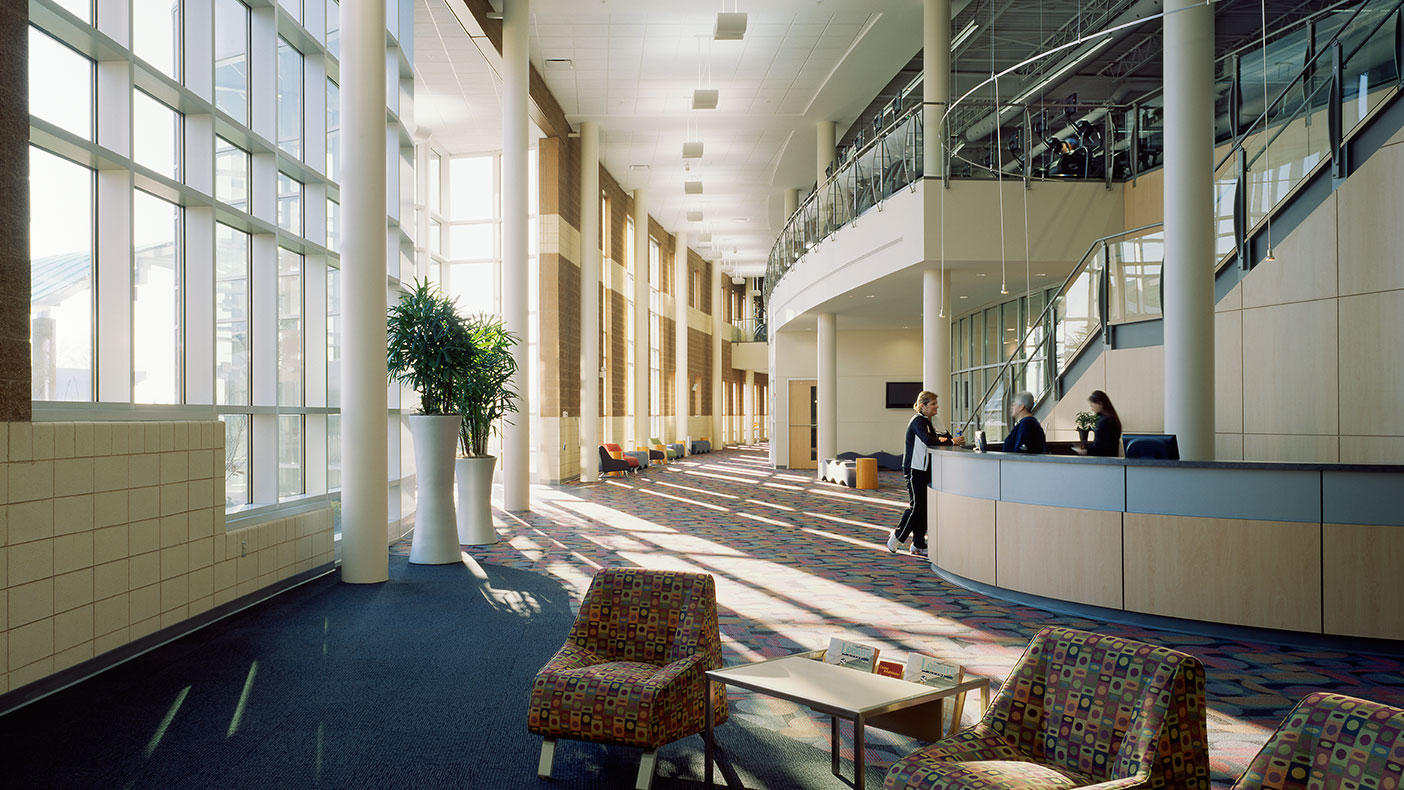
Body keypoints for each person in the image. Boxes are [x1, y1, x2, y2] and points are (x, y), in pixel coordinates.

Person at [887, 391, 961, 558]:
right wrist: (950, 442)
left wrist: (947, 438)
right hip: (914, 470)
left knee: (924, 509)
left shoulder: (931, 421)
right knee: (917, 507)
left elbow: (945, 436)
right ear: (923, 406)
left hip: (926, 469)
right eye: (933, 404)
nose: (937, 407)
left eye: (936, 403)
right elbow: (928, 440)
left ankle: (918, 544)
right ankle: (897, 537)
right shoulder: (917, 421)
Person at [1075, 390, 1122, 457]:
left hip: (1105, 461)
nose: (1092, 409)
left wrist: (1087, 451)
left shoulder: (1106, 420)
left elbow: (1104, 447)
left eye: (1092, 406)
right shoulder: (1109, 418)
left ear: (1100, 403)